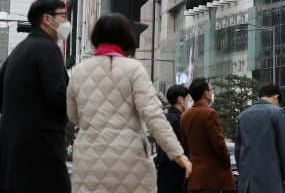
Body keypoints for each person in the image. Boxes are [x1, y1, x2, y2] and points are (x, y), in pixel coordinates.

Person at [67, 13, 192, 193]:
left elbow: (72, 115)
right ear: (127, 37)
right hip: (130, 160)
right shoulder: (134, 69)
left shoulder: (79, 71)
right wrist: (177, 154)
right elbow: (154, 116)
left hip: (89, 159)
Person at [0, 0, 72, 193]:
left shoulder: (16, 53)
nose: (67, 22)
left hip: (13, 153)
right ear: (47, 19)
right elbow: (58, 96)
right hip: (42, 151)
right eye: (63, 16)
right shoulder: (48, 49)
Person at [180, 77, 236, 193]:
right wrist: (226, 160)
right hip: (211, 176)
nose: (212, 92)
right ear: (206, 93)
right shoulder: (209, 113)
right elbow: (219, 143)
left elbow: (185, 144)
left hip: (194, 175)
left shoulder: (184, 115)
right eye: (211, 90)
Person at [235, 82, 285, 193]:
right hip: (271, 180)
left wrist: (243, 173)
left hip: (248, 181)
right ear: (276, 96)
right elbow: (283, 146)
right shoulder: (277, 113)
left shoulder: (243, 116)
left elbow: (238, 149)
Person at [157, 84, 191, 193]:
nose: (189, 101)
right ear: (180, 99)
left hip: (163, 173)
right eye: (187, 98)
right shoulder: (180, 120)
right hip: (177, 173)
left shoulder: (163, 118)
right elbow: (184, 148)